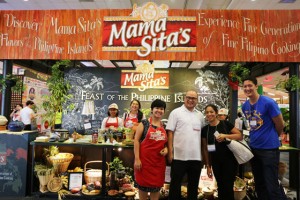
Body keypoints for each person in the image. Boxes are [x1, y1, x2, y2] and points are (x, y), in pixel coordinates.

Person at [242, 76, 287, 200]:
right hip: (254, 148)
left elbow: (280, 124)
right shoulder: (245, 106)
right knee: (259, 184)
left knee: (272, 185)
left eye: (250, 85)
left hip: (269, 150)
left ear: (256, 86)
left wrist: (272, 137)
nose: (247, 88)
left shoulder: (268, 103)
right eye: (245, 86)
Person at [166, 90, 206, 200]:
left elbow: (202, 137)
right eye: (188, 97)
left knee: (193, 187)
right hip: (178, 156)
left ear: (197, 100)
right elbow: (170, 133)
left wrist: (204, 156)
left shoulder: (200, 115)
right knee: (175, 186)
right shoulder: (176, 112)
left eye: (193, 98)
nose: (191, 100)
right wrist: (170, 152)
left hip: (196, 158)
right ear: (184, 98)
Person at [201, 104, 242, 200]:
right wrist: (208, 166)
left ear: (216, 113)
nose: (209, 114)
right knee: (220, 186)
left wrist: (225, 136)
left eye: (211, 112)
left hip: (229, 161)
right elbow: (205, 149)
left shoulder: (225, 124)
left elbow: (239, 135)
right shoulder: (205, 130)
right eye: (207, 112)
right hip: (216, 162)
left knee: (228, 187)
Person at [134, 99, 168, 200]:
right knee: (143, 194)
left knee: (155, 193)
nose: (159, 110)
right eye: (157, 108)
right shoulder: (143, 124)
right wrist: (137, 159)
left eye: (161, 109)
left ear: (164, 111)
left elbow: (166, 143)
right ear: (152, 110)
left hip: (158, 165)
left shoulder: (165, 126)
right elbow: (136, 141)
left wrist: (166, 149)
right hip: (144, 164)